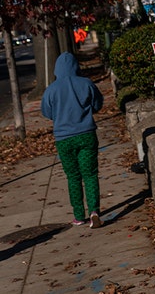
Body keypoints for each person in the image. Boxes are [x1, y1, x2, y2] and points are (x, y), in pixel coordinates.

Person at [41, 52, 105, 228]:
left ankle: (78, 215)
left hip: (64, 139)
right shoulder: (86, 84)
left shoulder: (51, 90)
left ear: (56, 69)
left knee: (73, 176)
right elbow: (98, 104)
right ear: (76, 67)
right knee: (90, 174)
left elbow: (47, 112)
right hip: (86, 135)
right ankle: (94, 211)